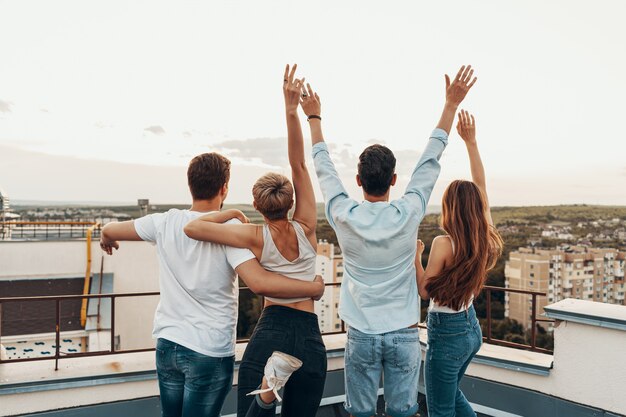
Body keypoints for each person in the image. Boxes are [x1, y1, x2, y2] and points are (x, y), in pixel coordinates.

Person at [304, 65, 477, 417]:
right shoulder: (408, 212)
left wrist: (313, 118)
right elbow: (430, 160)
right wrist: (450, 105)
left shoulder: (343, 214)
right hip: (403, 334)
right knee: (403, 412)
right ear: (394, 179)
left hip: (362, 335)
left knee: (362, 413)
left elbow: (323, 168)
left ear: (358, 179)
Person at [99, 151, 325, 417]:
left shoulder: (163, 222)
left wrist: (106, 237)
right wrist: (313, 288)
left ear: (190, 185)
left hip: (168, 343)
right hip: (208, 349)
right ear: (224, 188)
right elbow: (260, 281)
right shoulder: (229, 233)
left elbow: (111, 229)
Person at [183, 64, 327, 417]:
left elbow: (192, 229)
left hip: (272, 328)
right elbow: (300, 165)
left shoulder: (254, 236)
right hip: (310, 335)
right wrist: (295, 111)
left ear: (257, 204)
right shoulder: (306, 225)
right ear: (290, 201)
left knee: (251, 411)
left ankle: (266, 394)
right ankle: (269, 389)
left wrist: (228, 212)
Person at [415, 110, 503, 417]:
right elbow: (482, 186)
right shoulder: (484, 239)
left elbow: (425, 291)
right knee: (451, 397)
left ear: (450, 208)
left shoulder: (443, 243)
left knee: (440, 409)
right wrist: (471, 142)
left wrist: (415, 256)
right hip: (470, 330)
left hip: (447, 334)